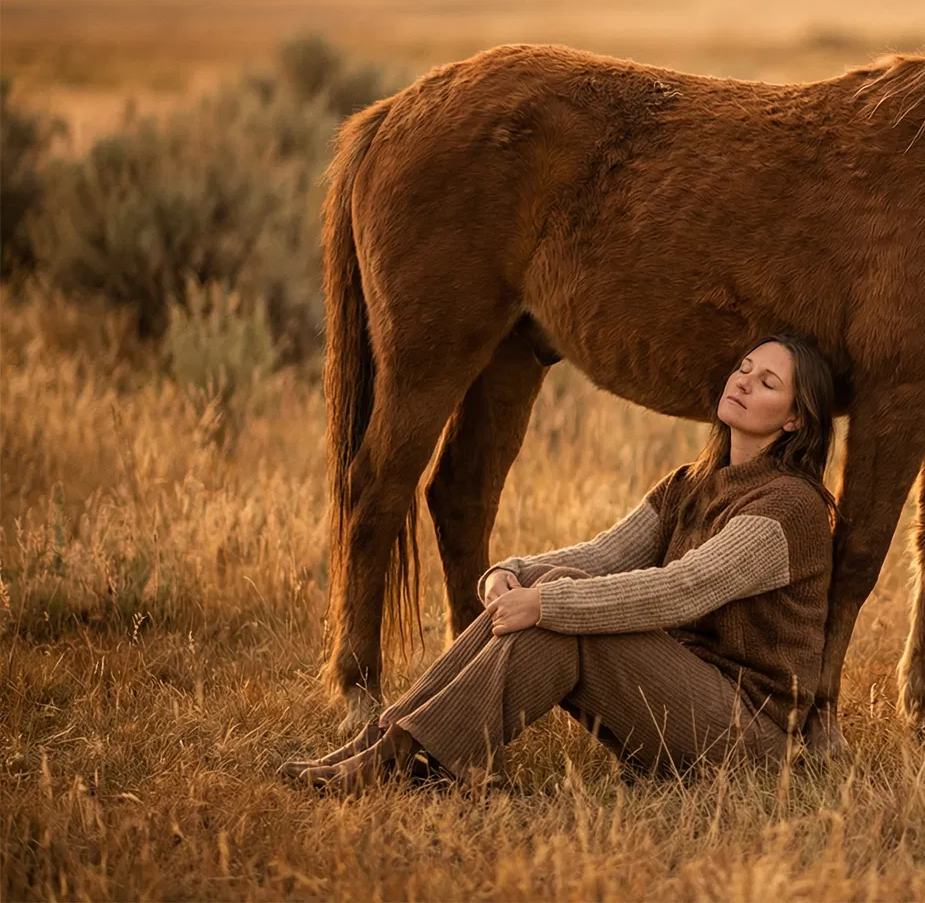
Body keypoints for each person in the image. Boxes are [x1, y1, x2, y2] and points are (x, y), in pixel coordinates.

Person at [280, 334, 839, 790]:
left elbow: (681, 589)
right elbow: (602, 555)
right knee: (552, 588)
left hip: (750, 737)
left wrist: (546, 601)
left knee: (556, 607)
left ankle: (404, 760)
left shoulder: (790, 507)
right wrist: (514, 573)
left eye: (768, 383)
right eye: (743, 367)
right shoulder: (691, 484)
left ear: (794, 420)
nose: (743, 380)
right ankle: (384, 743)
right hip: (681, 700)